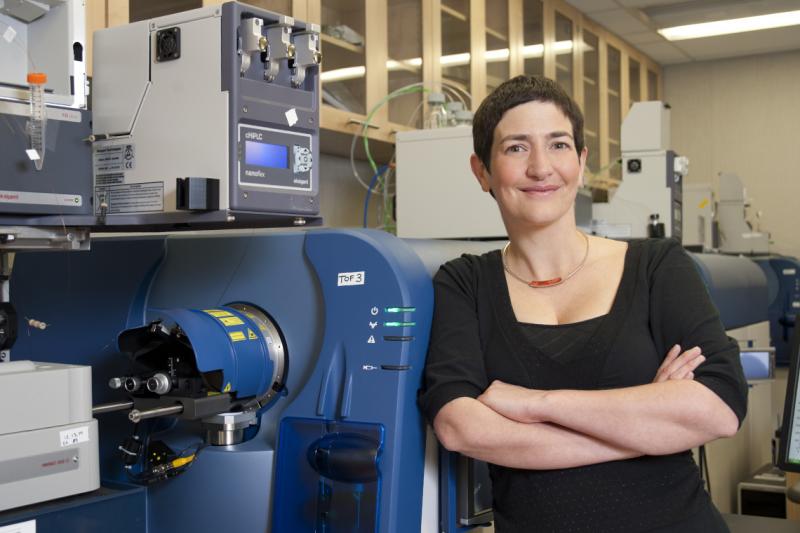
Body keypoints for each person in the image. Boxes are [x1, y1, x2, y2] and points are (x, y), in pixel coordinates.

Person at [417, 75, 748, 532]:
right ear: (482, 171)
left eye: (558, 145)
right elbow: (460, 427)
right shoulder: (465, 283)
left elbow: (719, 408)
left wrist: (535, 403)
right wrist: (648, 427)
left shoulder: (656, 267)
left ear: (581, 161)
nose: (540, 167)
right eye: (516, 148)